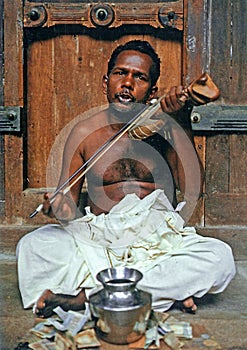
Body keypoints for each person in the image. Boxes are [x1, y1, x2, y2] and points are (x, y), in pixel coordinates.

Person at [17, 40, 235, 318]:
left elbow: (193, 187)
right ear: (106, 81)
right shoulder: (84, 132)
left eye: (140, 77)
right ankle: (159, 294)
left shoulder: (165, 128)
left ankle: (88, 298)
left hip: (158, 239)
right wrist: (58, 209)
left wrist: (181, 120)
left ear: (152, 90)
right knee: (34, 246)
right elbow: (69, 205)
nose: (128, 83)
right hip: (102, 237)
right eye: (121, 73)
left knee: (220, 258)